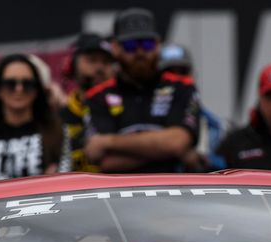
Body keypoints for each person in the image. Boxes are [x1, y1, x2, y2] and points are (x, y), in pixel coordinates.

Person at [83, 7, 201, 173]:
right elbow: (107, 161)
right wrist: (166, 149)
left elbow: (177, 143)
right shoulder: (98, 96)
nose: (140, 52)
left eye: (147, 44)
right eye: (130, 45)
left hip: (175, 190)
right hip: (119, 193)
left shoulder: (181, 87)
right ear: (115, 48)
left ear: (158, 44)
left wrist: (108, 141)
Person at [0, 54, 62, 182]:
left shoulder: (57, 131)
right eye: (10, 84)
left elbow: (63, 182)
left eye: (27, 84)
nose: (19, 89)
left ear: (37, 90)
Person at [158, 43, 227, 171]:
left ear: (191, 75)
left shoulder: (215, 126)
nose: (176, 80)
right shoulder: (144, 117)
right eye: (169, 73)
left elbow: (226, 169)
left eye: (182, 72)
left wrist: (202, 160)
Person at [59, 33, 114, 173]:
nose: (100, 68)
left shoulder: (124, 109)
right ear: (70, 65)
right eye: (92, 60)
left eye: (106, 62)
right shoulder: (57, 115)